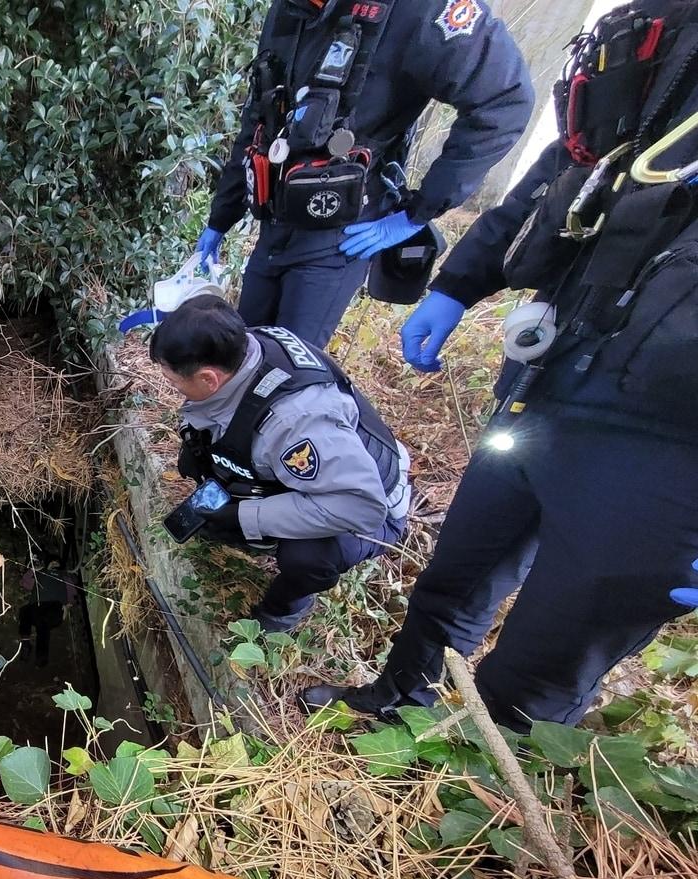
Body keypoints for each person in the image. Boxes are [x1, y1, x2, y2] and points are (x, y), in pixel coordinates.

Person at [303, 0, 698, 730]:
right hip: (554, 376)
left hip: (673, 450)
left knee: (541, 659)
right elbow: (562, 168)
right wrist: (459, 282)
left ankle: (481, 806)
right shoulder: (660, 38)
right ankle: (399, 703)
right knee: (454, 579)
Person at [195, 0, 532, 349]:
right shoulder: (290, 8)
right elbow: (260, 115)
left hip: (345, 231)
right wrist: (222, 215)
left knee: (293, 370)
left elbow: (504, 103)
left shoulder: (422, 10)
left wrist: (418, 212)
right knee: (242, 354)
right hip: (275, 219)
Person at [154, 294, 411, 632]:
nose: (172, 389)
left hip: (369, 509)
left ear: (208, 379)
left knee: (307, 557)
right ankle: (250, 529)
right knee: (196, 456)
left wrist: (245, 516)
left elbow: (360, 507)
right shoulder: (244, 347)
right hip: (321, 476)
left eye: (174, 382)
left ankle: (282, 612)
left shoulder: (295, 421)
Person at [18, 554, 77, 667]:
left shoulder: (64, 577)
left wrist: (67, 609)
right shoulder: (40, 574)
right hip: (37, 608)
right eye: (52, 562)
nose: (55, 563)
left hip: (54, 609)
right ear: (47, 564)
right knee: (25, 611)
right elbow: (24, 583)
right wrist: (33, 570)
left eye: (57, 563)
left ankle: (41, 658)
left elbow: (72, 596)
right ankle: (26, 644)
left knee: (44, 625)